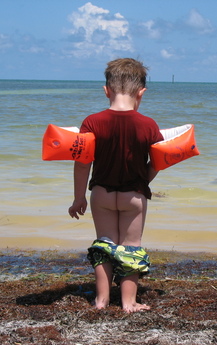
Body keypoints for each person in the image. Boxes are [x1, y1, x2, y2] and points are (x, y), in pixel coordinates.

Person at [68, 58, 163, 313]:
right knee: (131, 246)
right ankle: (128, 302)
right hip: (133, 197)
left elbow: (81, 163)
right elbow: (158, 162)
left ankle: (101, 300)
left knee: (104, 243)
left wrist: (79, 198)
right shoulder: (149, 125)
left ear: (106, 90)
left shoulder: (92, 122)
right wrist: (143, 182)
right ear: (141, 93)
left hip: (101, 194)